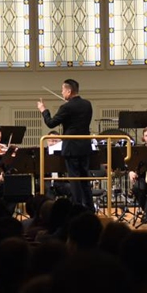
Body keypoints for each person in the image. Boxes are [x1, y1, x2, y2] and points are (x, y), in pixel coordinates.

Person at [37, 79, 94, 211]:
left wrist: (43, 110)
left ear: (69, 91)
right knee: (85, 178)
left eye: (63, 90)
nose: (62, 93)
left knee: (74, 178)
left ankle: (77, 207)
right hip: (85, 146)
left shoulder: (66, 107)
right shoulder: (87, 104)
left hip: (72, 147)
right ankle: (90, 208)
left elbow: (51, 123)